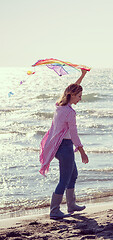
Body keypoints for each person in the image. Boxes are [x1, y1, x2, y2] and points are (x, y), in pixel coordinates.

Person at [39, 69, 89, 219]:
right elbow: (74, 134)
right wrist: (82, 152)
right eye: (79, 96)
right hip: (65, 147)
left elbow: (70, 89)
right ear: (72, 96)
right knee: (64, 179)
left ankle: (71, 205)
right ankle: (54, 211)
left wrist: (82, 75)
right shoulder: (69, 112)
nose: (80, 99)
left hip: (58, 146)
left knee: (73, 175)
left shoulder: (59, 105)